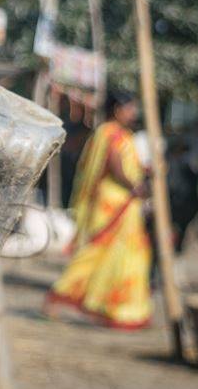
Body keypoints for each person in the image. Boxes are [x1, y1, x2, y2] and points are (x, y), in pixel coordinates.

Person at [44, 90, 153, 330]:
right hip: (112, 205)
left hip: (124, 204)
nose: (133, 113)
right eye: (129, 108)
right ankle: (59, 295)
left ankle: (113, 308)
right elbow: (115, 166)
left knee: (122, 257)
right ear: (117, 109)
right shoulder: (110, 133)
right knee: (95, 252)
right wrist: (135, 186)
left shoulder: (125, 135)